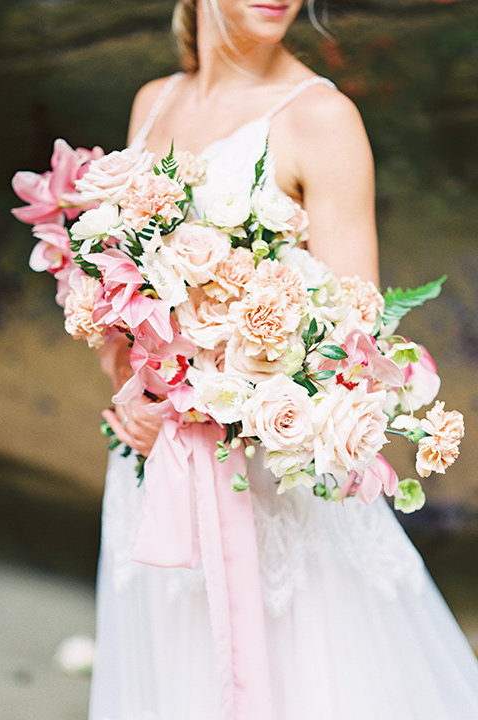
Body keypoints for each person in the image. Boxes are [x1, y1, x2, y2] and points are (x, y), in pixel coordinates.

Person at [89, 1, 478, 718]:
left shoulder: (319, 121)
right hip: (153, 472)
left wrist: (201, 399)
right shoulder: (154, 102)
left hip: (268, 477)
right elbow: (127, 301)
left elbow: (350, 347)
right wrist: (131, 390)